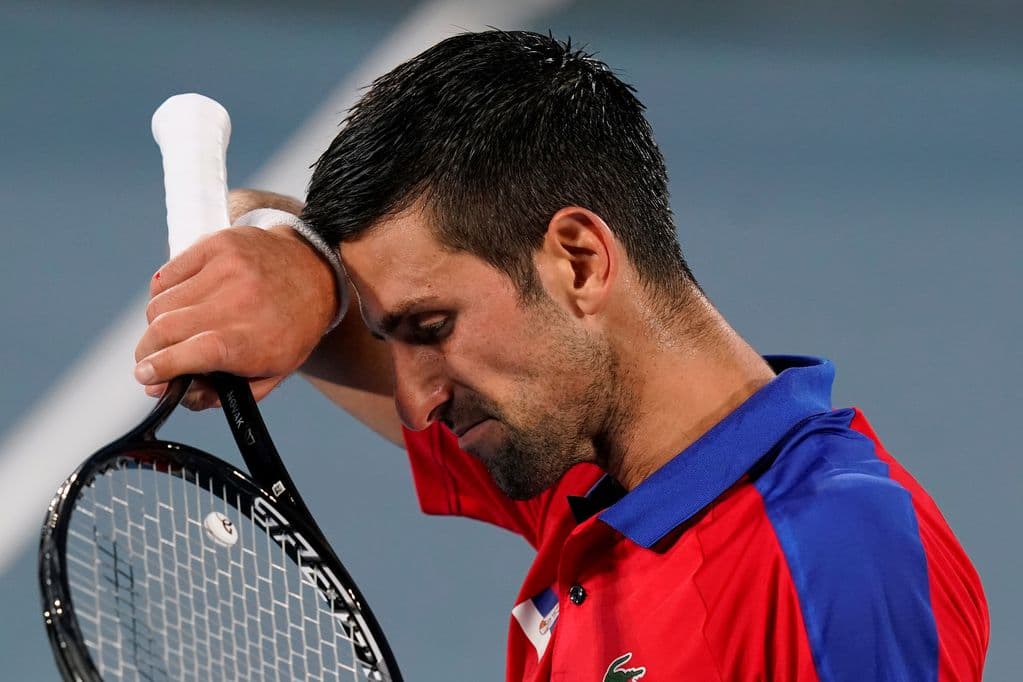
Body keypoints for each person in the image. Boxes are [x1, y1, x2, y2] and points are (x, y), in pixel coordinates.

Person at [133, 31, 988, 681]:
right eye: (394, 336)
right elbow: (268, 265)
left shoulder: (829, 562)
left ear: (578, 259)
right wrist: (294, 254)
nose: (418, 400)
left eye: (432, 327)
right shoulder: (588, 472)